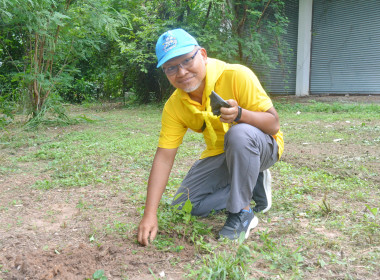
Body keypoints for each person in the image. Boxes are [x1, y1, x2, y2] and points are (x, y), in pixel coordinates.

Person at [137, 28, 283, 245]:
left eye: (187, 60)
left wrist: (240, 114)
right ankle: (252, 184)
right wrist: (150, 213)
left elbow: (273, 124)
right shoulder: (175, 106)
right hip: (221, 154)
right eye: (171, 68)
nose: (182, 72)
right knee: (184, 204)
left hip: (262, 146)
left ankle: (242, 214)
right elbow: (164, 157)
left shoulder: (236, 75)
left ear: (203, 55)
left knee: (239, 133)